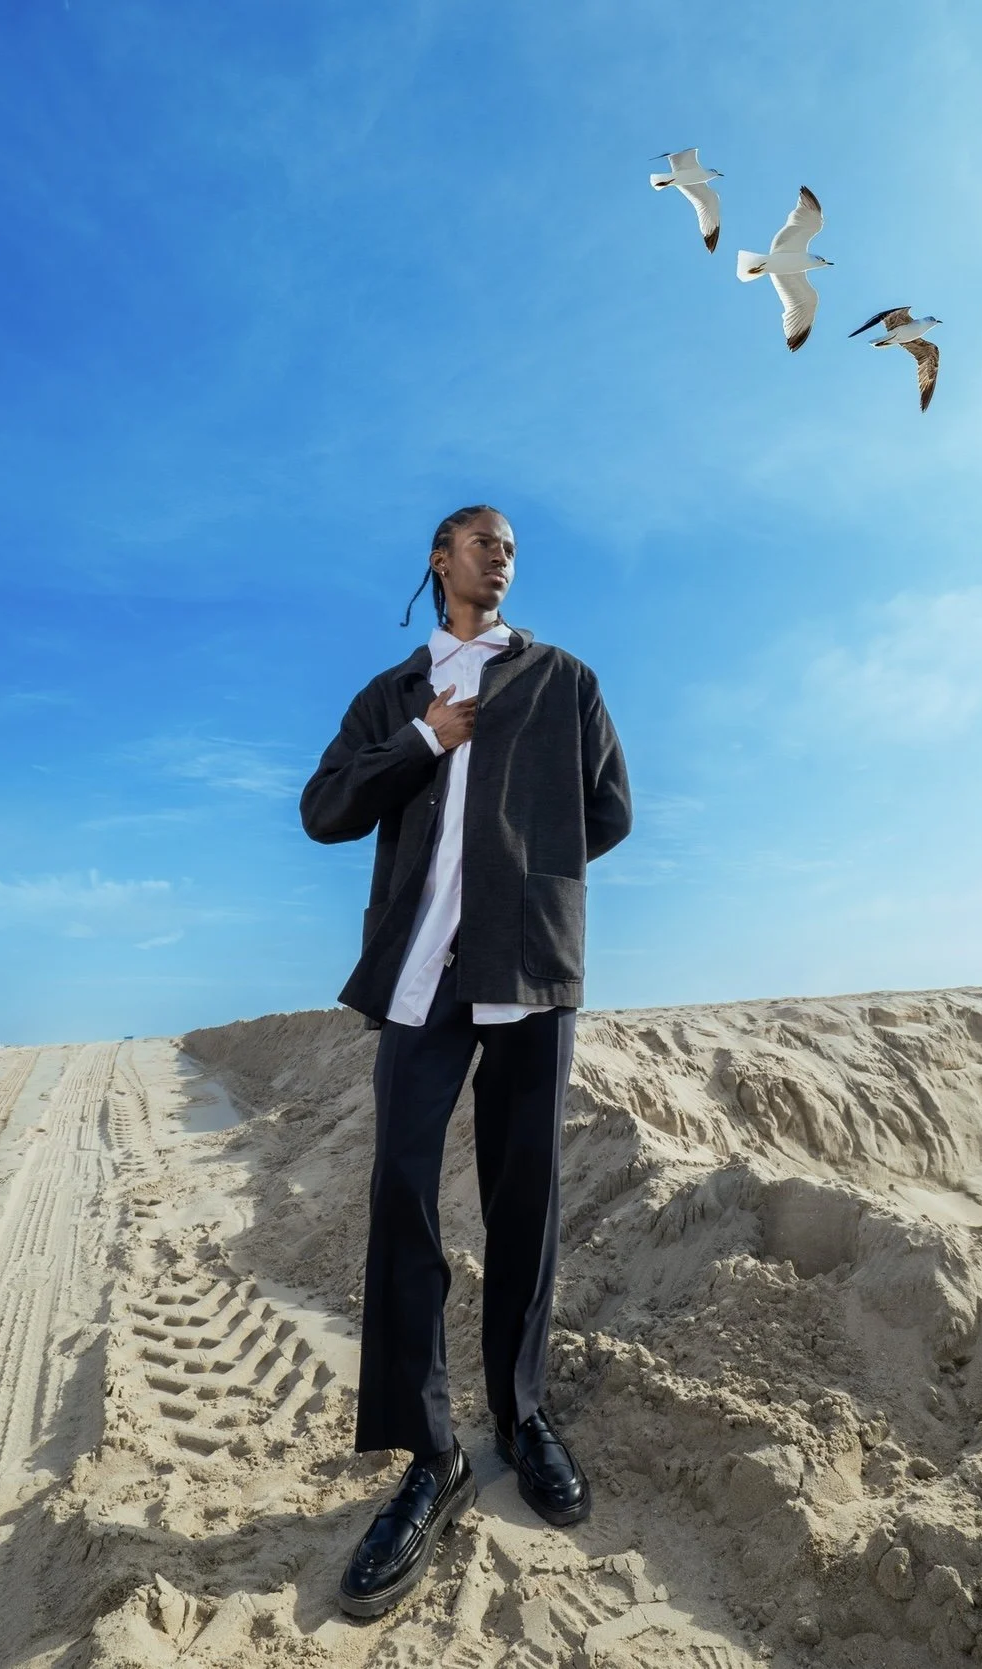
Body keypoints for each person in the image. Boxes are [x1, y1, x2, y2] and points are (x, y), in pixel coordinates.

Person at [300, 505, 632, 1618]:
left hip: (528, 968)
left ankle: (521, 1415)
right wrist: (429, 740)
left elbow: (610, 809)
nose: (502, 553)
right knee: (401, 1196)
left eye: (511, 545)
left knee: (524, 1201)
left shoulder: (564, 680)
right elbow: (323, 808)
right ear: (438, 560)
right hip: (414, 978)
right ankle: (429, 1454)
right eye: (480, 540)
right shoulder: (392, 696)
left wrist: (524, 869)